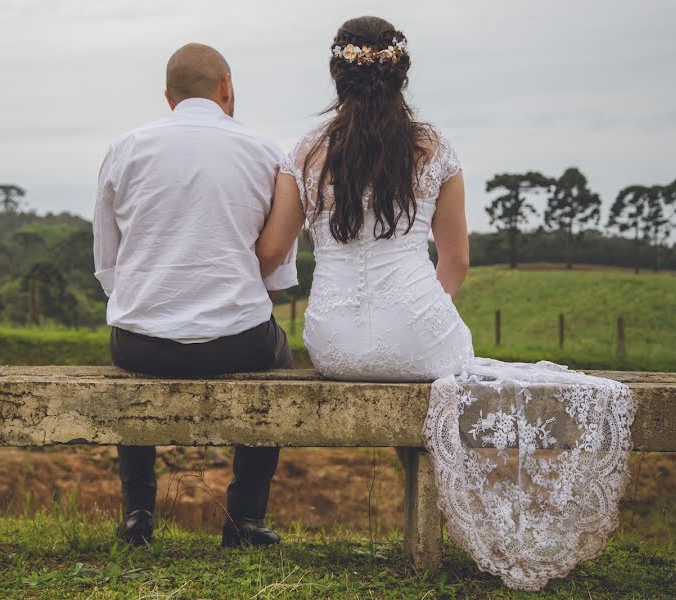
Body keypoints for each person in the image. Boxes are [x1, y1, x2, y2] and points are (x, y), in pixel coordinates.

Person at [255, 16, 636, 591]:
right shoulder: (435, 148)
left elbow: (274, 249)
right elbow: (455, 263)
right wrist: (426, 309)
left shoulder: (305, 152)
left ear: (336, 73)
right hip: (419, 332)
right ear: (401, 73)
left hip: (331, 344)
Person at [93, 43, 297, 548]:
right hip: (240, 342)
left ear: (169, 97)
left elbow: (106, 260)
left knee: (128, 355)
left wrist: (146, 308)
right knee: (279, 358)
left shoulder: (125, 148)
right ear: (226, 85)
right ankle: (245, 518)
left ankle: (138, 512)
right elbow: (275, 271)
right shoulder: (266, 151)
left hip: (140, 345)